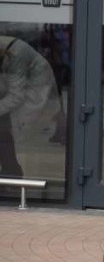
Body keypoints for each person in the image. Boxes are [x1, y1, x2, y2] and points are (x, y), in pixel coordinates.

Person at [0, 36, 60, 178]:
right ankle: (10, 170)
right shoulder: (7, 50)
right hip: (18, 89)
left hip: (35, 90)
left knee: (6, 129)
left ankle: (11, 172)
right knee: (4, 130)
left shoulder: (17, 53)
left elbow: (15, 96)